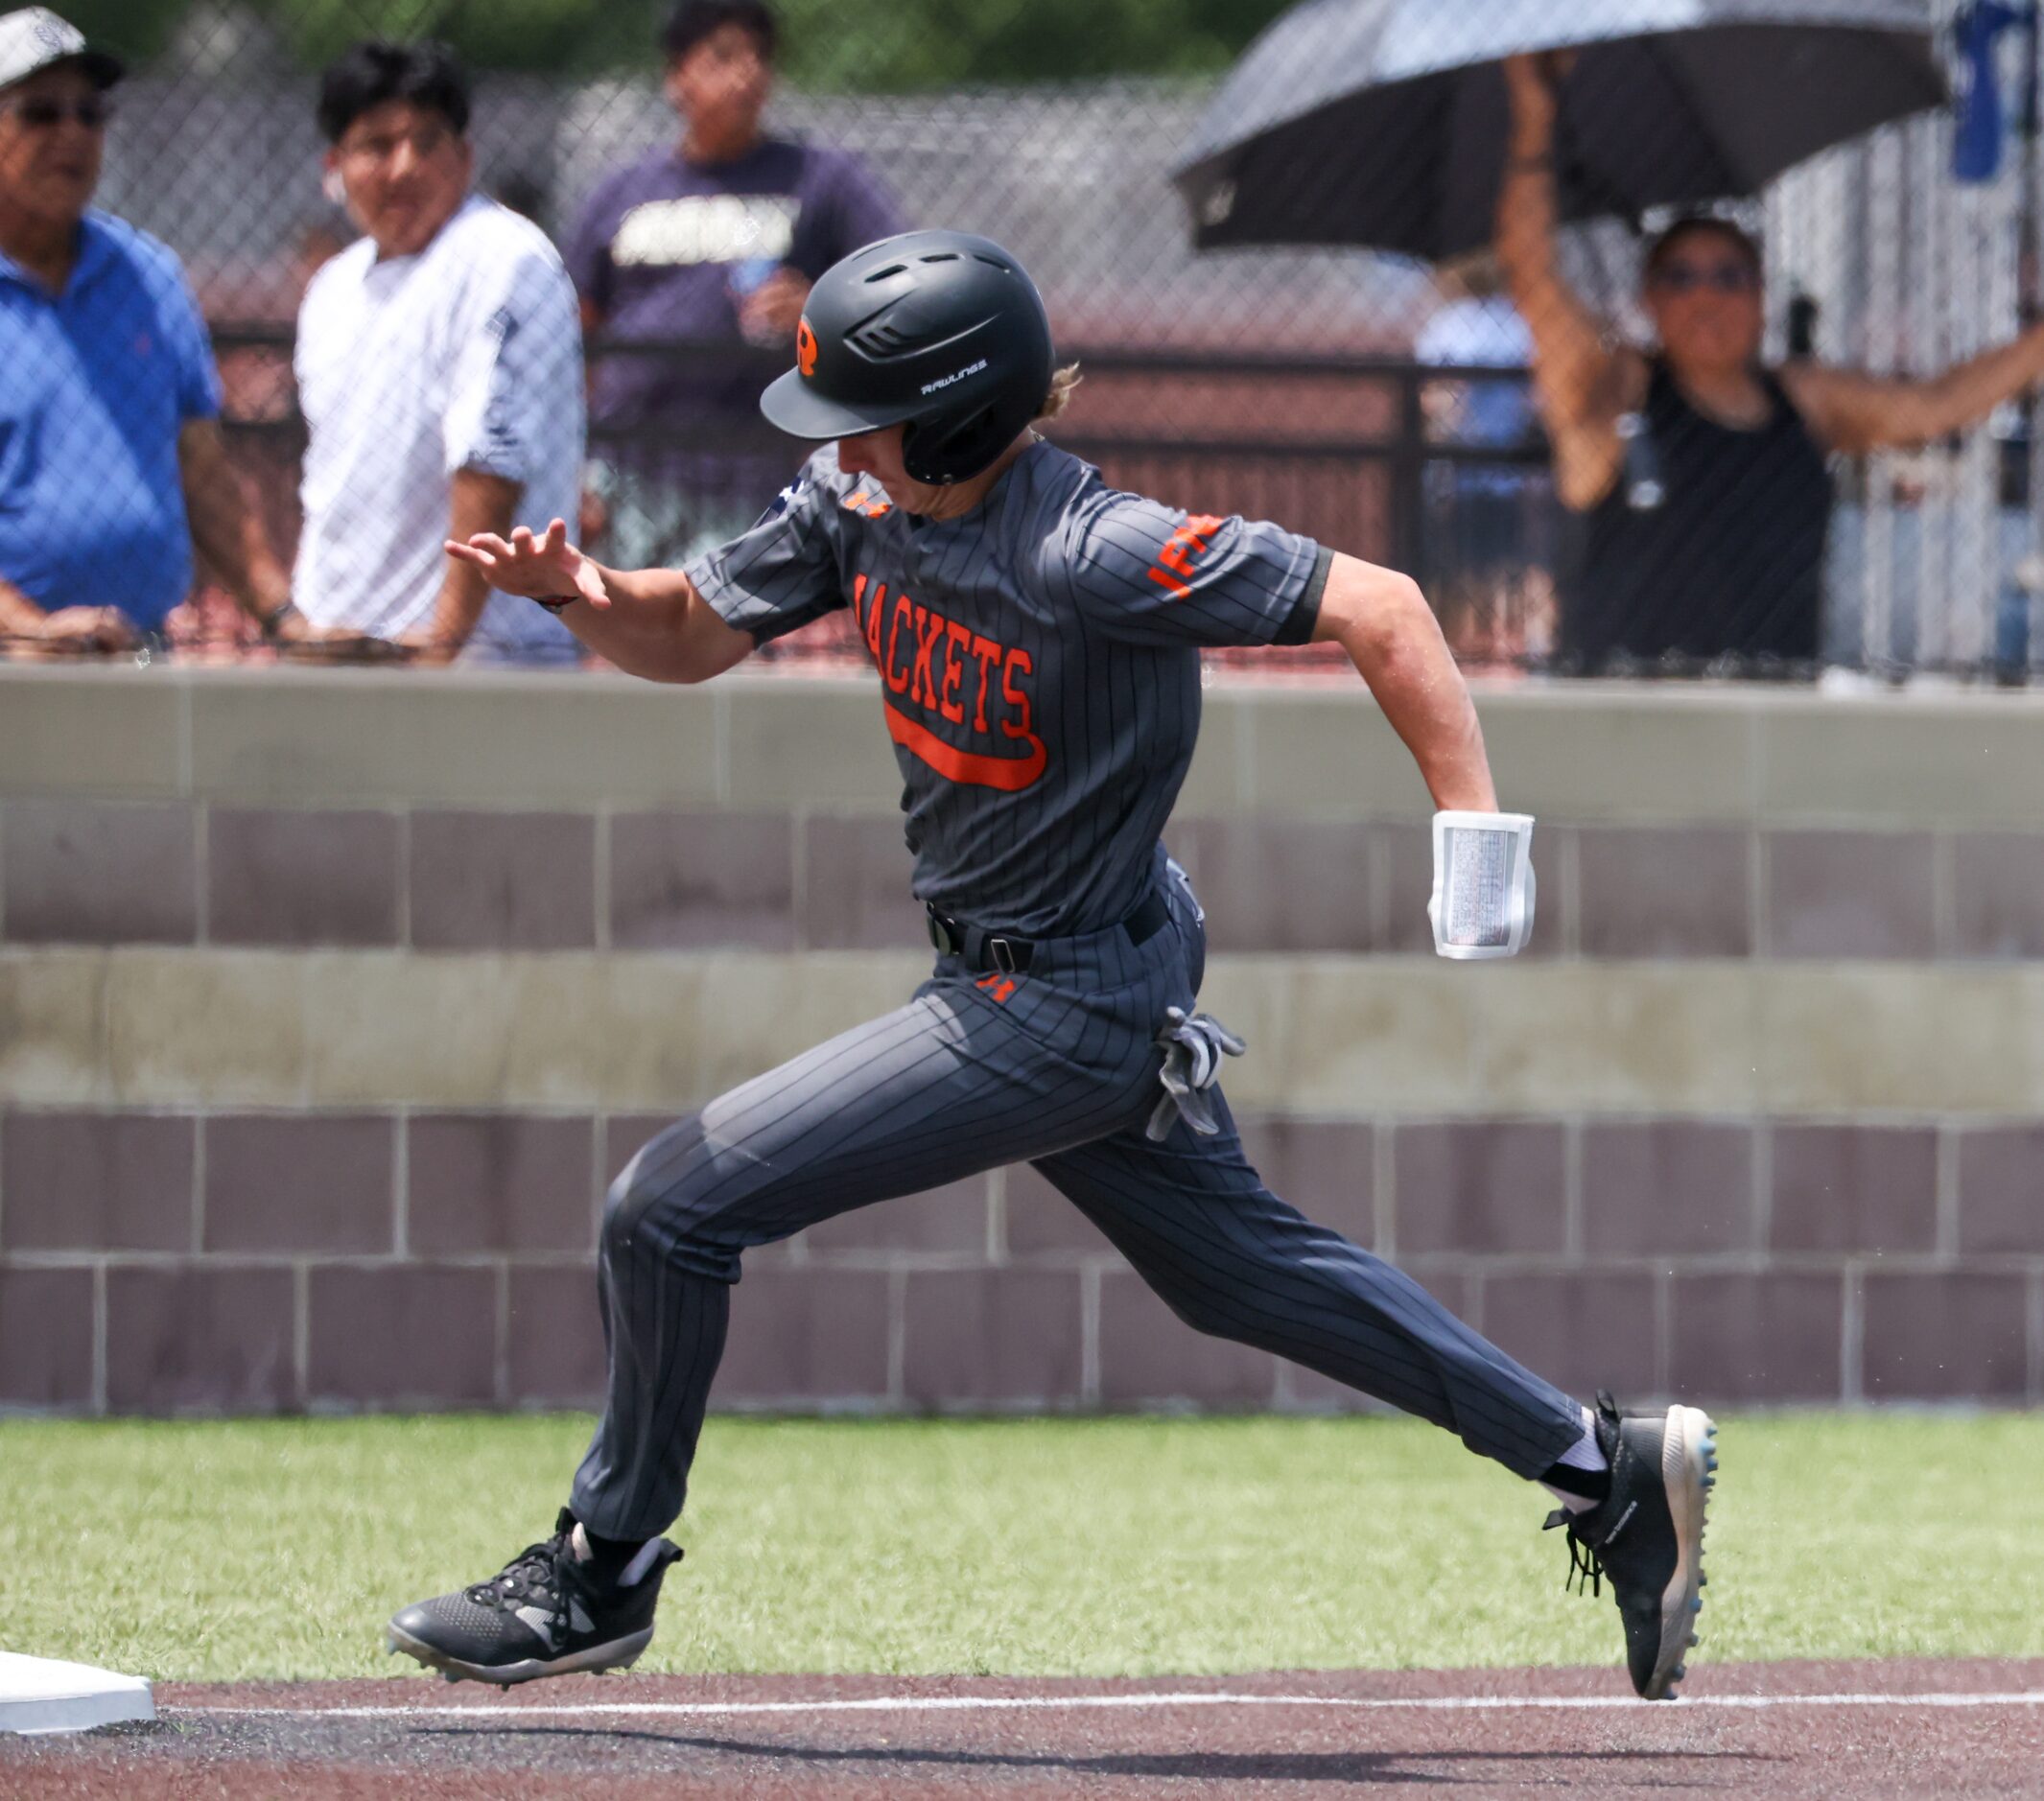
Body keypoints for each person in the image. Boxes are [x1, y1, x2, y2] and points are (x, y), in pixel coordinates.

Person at [385, 230, 1718, 1703]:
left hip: (1059, 1001)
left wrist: (1473, 831)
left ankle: (602, 1565)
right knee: (1241, 1276)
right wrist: (581, 592)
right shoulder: (858, 506)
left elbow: (1382, 604)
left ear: (955, 414)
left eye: (865, 420)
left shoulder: (1093, 549)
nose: (841, 451)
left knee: (668, 1206)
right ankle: (1604, 1469)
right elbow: (692, 631)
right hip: (1033, 979)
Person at [1499, 52, 2044, 675]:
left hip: (1767, 713)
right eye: (1681, 278)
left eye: (1727, 276)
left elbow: (1936, 405)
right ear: (1650, 299)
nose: (1705, 297)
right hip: (1627, 709)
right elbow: (1532, 277)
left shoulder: (1803, 400)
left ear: (1761, 298)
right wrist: (1533, 123)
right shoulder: (1613, 394)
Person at [564, 0, 903, 567]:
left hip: (752, 470)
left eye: (760, 56)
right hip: (628, 471)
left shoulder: (820, 181)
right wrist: (571, 467)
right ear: (677, 75)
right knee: (621, 636)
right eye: (723, 56)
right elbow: (575, 338)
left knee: (728, 638)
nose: (748, 74)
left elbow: (899, 290)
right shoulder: (623, 191)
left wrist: (823, 309)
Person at [0, 7, 295, 654]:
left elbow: (204, 475)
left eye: (90, 113)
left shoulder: (148, 277)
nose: (72, 133)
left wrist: (285, 619)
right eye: (41, 112)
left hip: (142, 655)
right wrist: (26, 628)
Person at [293, 40, 583, 665]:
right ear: (335, 165)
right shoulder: (331, 289)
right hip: (341, 647)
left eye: (428, 143)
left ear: (465, 156)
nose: (404, 167)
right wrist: (307, 627)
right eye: (377, 146)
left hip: (478, 664)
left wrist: (441, 653)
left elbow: (491, 463)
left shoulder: (502, 256)